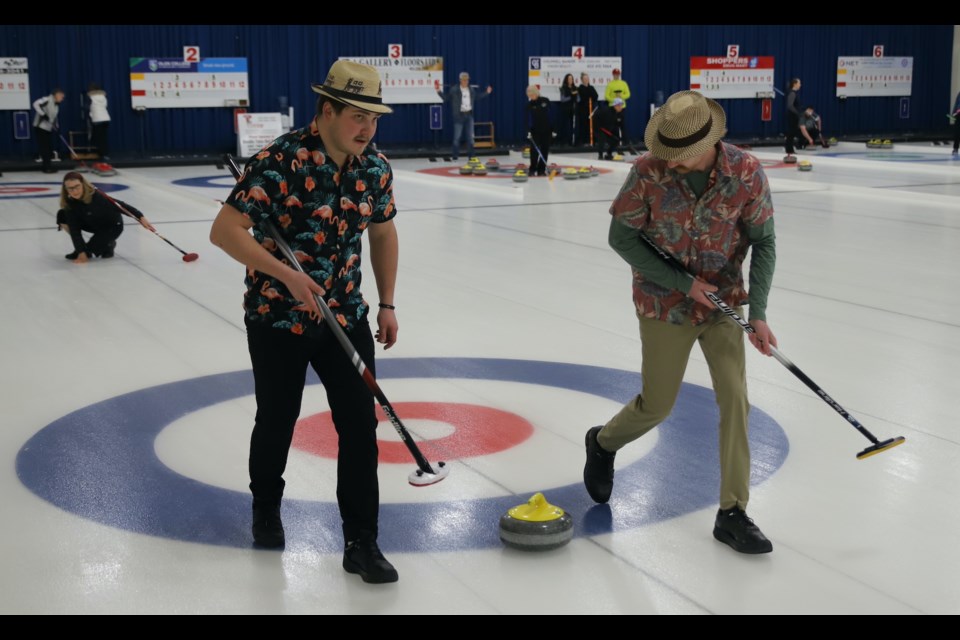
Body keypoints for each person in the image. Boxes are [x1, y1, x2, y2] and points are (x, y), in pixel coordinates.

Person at [210, 60, 402, 584]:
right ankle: (266, 505)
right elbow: (225, 231)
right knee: (278, 417)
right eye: (356, 117)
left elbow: (382, 233)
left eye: (374, 119)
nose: (366, 129)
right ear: (326, 111)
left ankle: (361, 540)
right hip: (278, 316)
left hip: (346, 314)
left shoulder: (374, 167)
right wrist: (283, 274)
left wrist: (386, 303)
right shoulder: (280, 162)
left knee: (360, 426)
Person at [583, 90, 777, 555]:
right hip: (664, 305)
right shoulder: (649, 171)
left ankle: (733, 511)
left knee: (736, 400)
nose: (671, 161)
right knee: (658, 404)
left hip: (724, 304)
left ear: (707, 142)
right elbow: (621, 238)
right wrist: (683, 283)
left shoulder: (745, 172)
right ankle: (604, 443)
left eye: (680, 154)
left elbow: (765, 242)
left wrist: (760, 313)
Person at [56, 171, 154, 263]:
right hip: (92, 223)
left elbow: (121, 206)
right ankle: (85, 248)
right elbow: (74, 230)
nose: (74, 191)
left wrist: (140, 217)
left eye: (77, 186)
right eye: (70, 188)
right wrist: (80, 251)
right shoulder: (69, 203)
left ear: (83, 184)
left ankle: (109, 244)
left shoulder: (97, 197)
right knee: (62, 215)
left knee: (89, 252)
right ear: (66, 189)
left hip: (111, 226)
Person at [438, 72, 492, 161]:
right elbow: (445, 98)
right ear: (460, 80)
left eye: (467, 80)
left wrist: (487, 92)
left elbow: (477, 97)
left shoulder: (471, 90)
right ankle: (455, 156)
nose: (465, 81)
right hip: (458, 116)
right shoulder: (454, 90)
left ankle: (472, 157)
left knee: (470, 138)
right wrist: (438, 91)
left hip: (469, 115)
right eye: (463, 80)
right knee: (457, 138)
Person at [33, 88, 65, 174]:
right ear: (57, 95)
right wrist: (43, 115)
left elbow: (54, 117)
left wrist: (56, 126)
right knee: (45, 148)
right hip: (40, 127)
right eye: (61, 97)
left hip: (48, 128)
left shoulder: (56, 105)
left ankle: (47, 165)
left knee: (49, 147)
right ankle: (46, 167)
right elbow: (35, 104)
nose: (62, 99)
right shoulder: (47, 99)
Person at [526, 85, 553, 176]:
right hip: (535, 131)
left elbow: (550, 116)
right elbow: (528, 118)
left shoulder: (545, 101)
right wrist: (529, 130)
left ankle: (541, 169)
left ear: (536, 93)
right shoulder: (529, 105)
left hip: (547, 130)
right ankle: (532, 169)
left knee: (544, 150)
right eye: (529, 95)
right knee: (534, 151)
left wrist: (553, 128)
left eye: (532, 94)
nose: (531, 97)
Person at [605, 69, 631, 143]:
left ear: (619, 75)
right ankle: (613, 141)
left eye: (617, 74)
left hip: (622, 107)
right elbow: (606, 96)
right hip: (613, 108)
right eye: (615, 74)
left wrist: (621, 96)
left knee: (622, 124)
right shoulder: (610, 84)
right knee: (612, 125)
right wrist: (614, 99)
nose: (616, 75)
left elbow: (628, 94)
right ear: (613, 75)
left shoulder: (623, 83)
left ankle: (625, 141)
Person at [87, 83, 111, 160]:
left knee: (99, 139)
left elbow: (90, 109)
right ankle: (105, 154)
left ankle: (102, 155)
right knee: (104, 138)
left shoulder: (91, 98)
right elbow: (105, 106)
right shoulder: (103, 97)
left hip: (97, 119)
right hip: (106, 118)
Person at [577, 73, 599, 146]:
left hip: (591, 109)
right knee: (584, 125)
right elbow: (584, 97)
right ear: (582, 80)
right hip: (583, 110)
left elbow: (595, 96)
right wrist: (589, 96)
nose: (586, 80)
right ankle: (584, 141)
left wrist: (590, 95)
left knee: (592, 125)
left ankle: (593, 141)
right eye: (584, 79)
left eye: (587, 79)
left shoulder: (591, 87)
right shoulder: (580, 88)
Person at [783, 78, 802, 160]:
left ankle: (790, 148)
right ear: (795, 84)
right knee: (791, 132)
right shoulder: (792, 93)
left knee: (792, 132)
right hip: (792, 116)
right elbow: (790, 106)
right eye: (799, 83)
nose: (800, 85)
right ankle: (789, 149)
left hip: (794, 115)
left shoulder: (793, 93)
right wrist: (797, 113)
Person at [558, 73, 578, 145]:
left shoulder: (575, 88)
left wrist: (576, 96)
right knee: (565, 125)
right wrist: (571, 96)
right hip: (565, 109)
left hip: (573, 109)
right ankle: (563, 141)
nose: (570, 80)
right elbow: (562, 99)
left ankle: (572, 141)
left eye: (571, 79)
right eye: (569, 79)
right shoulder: (563, 88)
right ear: (566, 80)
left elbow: (578, 99)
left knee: (573, 125)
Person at [951, 90, 960, 157]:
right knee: (957, 132)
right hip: (958, 114)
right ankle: (955, 149)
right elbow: (957, 103)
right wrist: (953, 113)